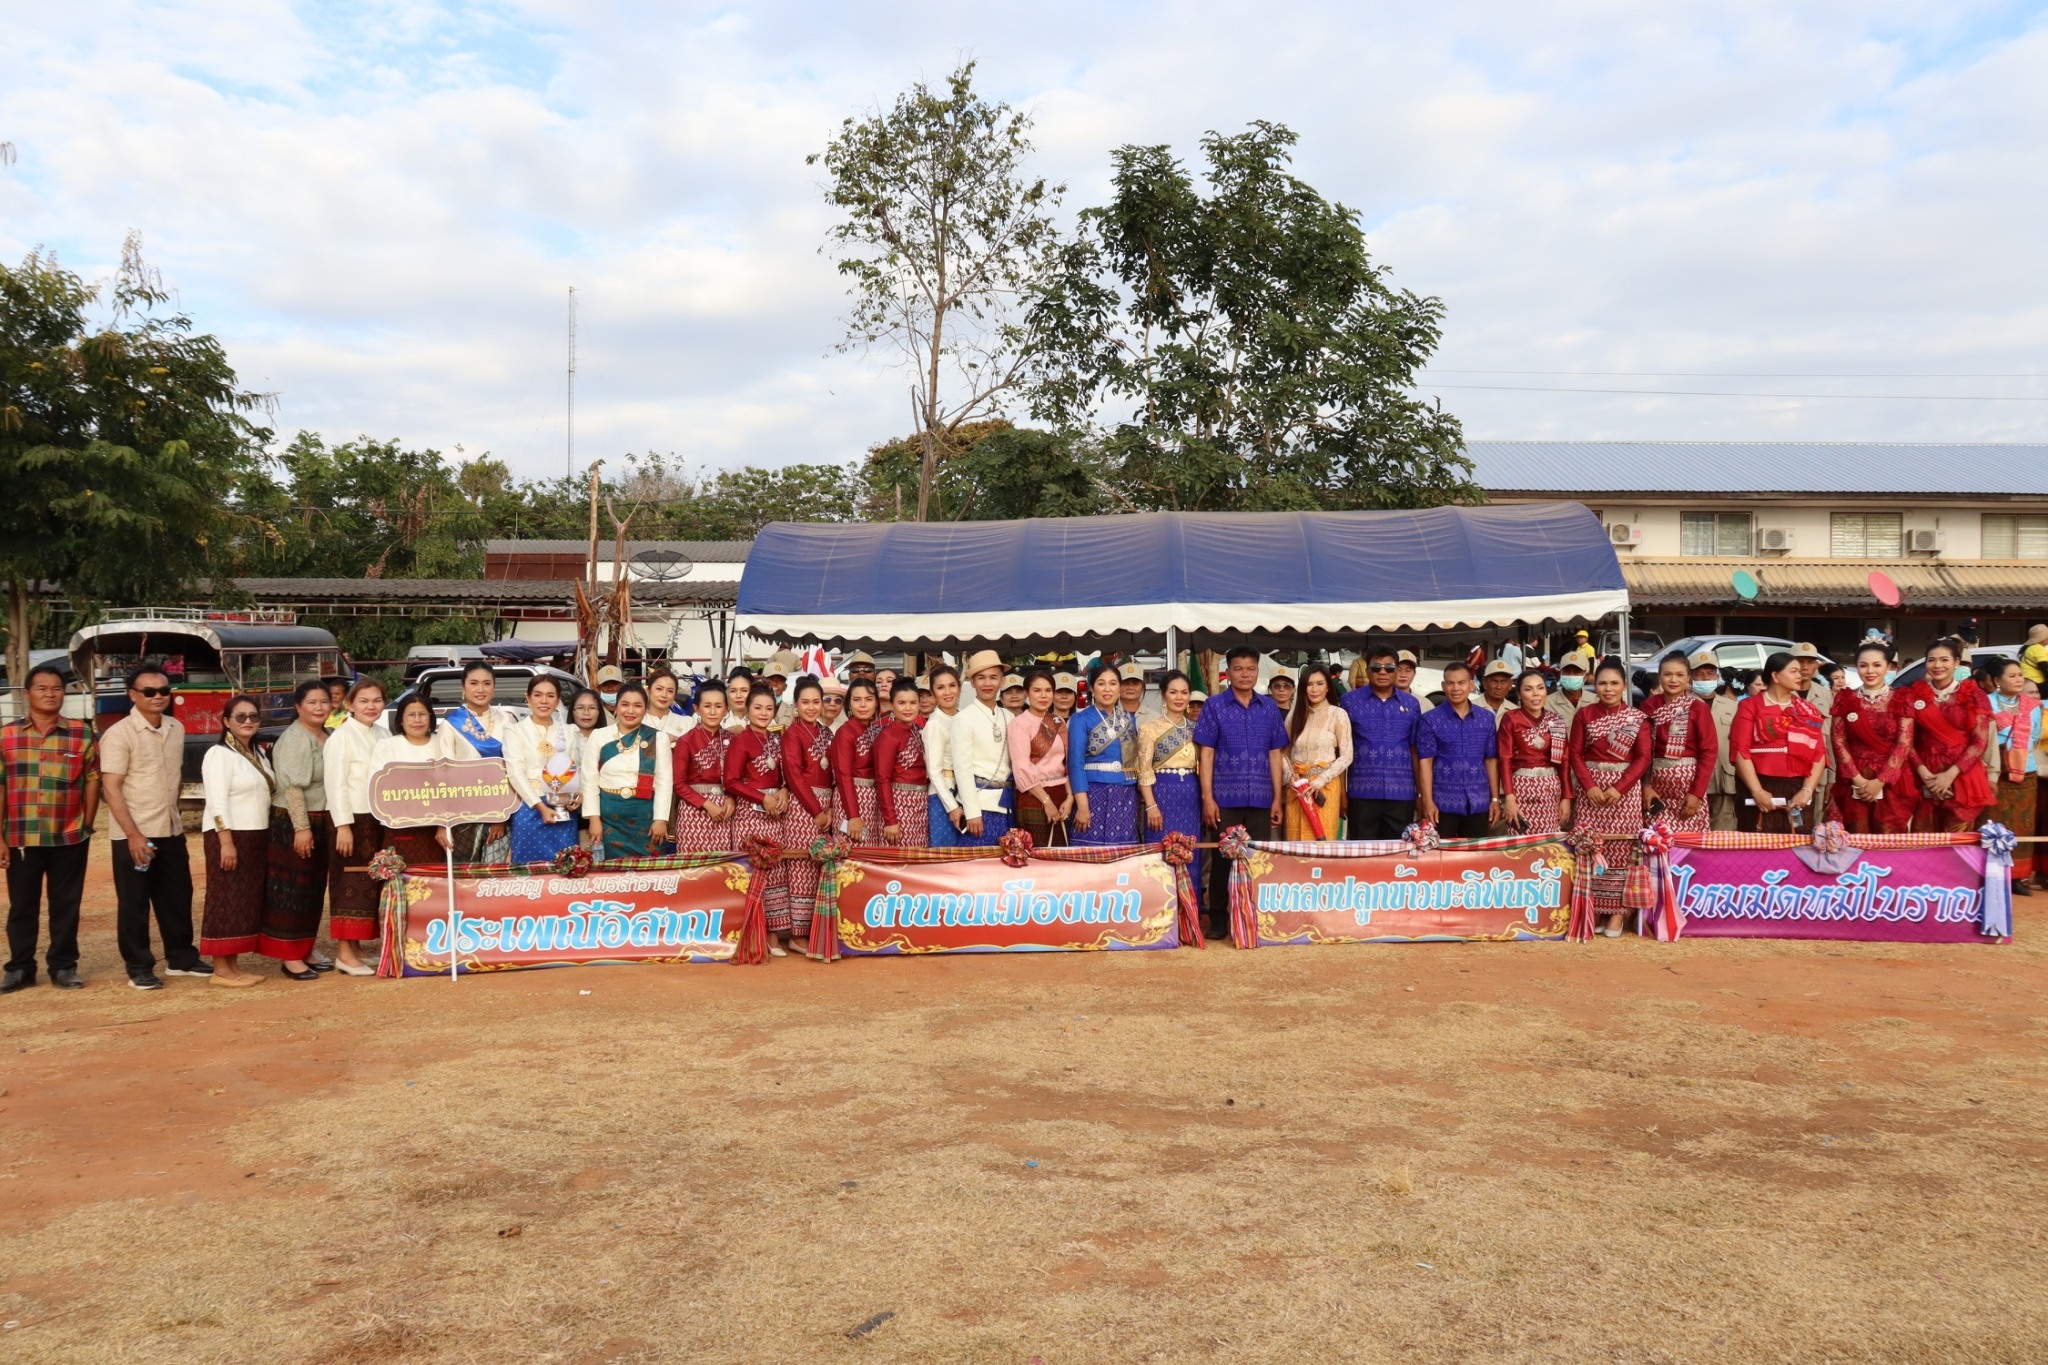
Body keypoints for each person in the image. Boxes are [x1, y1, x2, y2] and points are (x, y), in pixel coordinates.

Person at [100, 664, 206, 988]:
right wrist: (133, 834)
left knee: (177, 896)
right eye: (149, 691)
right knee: (134, 903)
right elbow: (111, 787)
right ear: (133, 695)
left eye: (163, 690)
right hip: (135, 833)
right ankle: (139, 967)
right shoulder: (119, 734)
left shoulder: (176, 728)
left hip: (170, 829)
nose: (158, 696)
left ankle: (182, 959)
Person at [2, 662, 99, 993]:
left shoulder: (81, 732)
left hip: (69, 835)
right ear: (27, 693)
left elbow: (92, 779)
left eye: (56, 688)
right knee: (22, 907)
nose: (50, 693)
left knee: (66, 905)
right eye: (42, 688)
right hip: (21, 836)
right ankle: (19, 968)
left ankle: (62, 966)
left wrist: (86, 823)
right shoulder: (6, 736)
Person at [1193, 646, 1289, 938]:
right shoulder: (1214, 705)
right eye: (1238, 668)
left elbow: (1275, 754)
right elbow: (1205, 754)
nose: (1245, 674)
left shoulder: (1269, 707)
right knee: (1223, 859)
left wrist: (1277, 798)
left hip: (1261, 797)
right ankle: (1220, 918)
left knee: (1256, 859)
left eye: (1250, 668)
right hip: (1224, 797)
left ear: (1258, 671)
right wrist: (1208, 798)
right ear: (1228, 672)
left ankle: (1251, 914)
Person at [1569, 658, 1652, 935]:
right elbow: (1575, 755)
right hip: (1590, 790)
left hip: (1623, 792)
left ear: (1624, 686)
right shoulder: (1584, 715)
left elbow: (1642, 758)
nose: (1608, 689)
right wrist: (1590, 786)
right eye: (1602, 683)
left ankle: (1617, 914)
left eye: (1614, 683)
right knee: (1592, 848)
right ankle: (1595, 910)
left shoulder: (1636, 718)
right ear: (1594, 685)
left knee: (1621, 851)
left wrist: (1620, 788)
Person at [262, 681, 335, 980]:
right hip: (294, 820)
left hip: (320, 818)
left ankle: (305, 947)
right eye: (312, 702)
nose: (319, 708)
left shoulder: (325, 735)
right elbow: (292, 788)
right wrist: (301, 828)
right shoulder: (295, 738)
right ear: (298, 706)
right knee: (291, 889)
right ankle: (289, 954)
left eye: (324, 702)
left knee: (312, 889)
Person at [196, 695, 271, 988]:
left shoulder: (257, 754)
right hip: (229, 835)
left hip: (255, 834)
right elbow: (217, 802)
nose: (248, 721)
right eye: (240, 717)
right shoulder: (219, 755)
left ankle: (233, 965)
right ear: (226, 722)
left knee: (243, 900)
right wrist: (226, 841)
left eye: (253, 716)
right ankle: (221, 969)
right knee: (225, 898)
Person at [320, 678, 390, 974]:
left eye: (376, 700)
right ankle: (344, 953)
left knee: (370, 881)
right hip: (350, 820)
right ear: (350, 704)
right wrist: (343, 826)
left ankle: (358, 947)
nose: (371, 706)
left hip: (377, 818)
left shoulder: (384, 734)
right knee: (348, 883)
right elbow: (334, 785)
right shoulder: (341, 737)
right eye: (364, 701)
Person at [724, 688, 796, 954]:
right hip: (749, 814)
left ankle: (775, 935)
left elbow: (788, 773)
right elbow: (729, 781)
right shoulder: (740, 741)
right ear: (748, 709)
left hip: (775, 813)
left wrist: (784, 790)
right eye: (758, 708)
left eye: (768, 709)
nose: (764, 713)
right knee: (753, 870)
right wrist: (759, 797)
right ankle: (754, 932)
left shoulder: (778, 739)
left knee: (776, 871)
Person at [369, 693, 476, 867]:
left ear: (431, 717)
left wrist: (443, 824)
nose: (417, 720)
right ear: (401, 719)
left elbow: (455, 786)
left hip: (437, 829)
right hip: (400, 826)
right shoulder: (387, 746)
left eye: (422, 714)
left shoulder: (443, 743)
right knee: (402, 883)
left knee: (434, 884)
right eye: (411, 715)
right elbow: (377, 787)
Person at [1731, 652, 1828, 835]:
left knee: (1797, 847)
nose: (1800, 675)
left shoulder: (1808, 709)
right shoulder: (1750, 706)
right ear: (1775, 676)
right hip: (1759, 785)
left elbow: (1819, 753)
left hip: (1798, 788)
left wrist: (1807, 790)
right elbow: (1740, 751)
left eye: (1800, 671)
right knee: (1756, 847)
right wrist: (1757, 791)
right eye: (1793, 671)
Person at [1904, 638, 1993, 833]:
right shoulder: (1912, 694)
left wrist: (1950, 775)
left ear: (1957, 662)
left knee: (1956, 839)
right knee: (1922, 837)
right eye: (1931, 660)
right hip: (1923, 773)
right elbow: (1906, 741)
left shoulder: (1973, 694)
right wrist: (1925, 774)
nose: (1937, 665)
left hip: (1962, 773)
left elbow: (1979, 742)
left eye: (1944, 660)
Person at [1830, 640, 1918, 835]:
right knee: (1854, 836)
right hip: (1853, 778)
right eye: (1863, 665)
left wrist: (1881, 780)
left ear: (1889, 667)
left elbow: (1904, 743)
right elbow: (1838, 740)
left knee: (1889, 837)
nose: (1870, 671)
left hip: (1892, 781)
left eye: (1877, 665)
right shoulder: (1845, 698)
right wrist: (1858, 780)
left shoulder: (1902, 698)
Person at [1339, 644, 1423, 840]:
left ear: (1396, 671)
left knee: (1398, 856)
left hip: (1401, 793)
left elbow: (1414, 751)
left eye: (1389, 668)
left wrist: (1420, 794)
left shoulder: (1411, 704)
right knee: (1362, 854)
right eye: (1376, 668)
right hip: (1361, 793)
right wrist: (1342, 793)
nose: (1383, 672)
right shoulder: (1349, 701)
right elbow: (1341, 751)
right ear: (1367, 670)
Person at [585, 682, 673, 860]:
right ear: (616, 707)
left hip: (646, 818)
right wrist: (594, 819)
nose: (630, 711)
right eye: (625, 704)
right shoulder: (598, 736)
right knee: (611, 875)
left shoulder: (658, 738)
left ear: (645, 709)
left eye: (637, 705)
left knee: (648, 874)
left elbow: (665, 782)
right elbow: (589, 780)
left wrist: (661, 819)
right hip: (609, 818)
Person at [502, 675, 583, 865]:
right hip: (529, 807)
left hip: (563, 808)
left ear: (558, 700)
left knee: (566, 866)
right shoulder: (516, 731)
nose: (544, 701)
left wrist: (578, 795)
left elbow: (577, 768)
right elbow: (515, 772)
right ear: (528, 698)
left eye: (550, 695)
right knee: (528, 870)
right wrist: (540, 807)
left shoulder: (570, 731)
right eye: (538, 695)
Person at [1414, 661, 1500, 838]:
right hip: (1442, 804)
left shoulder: (1486, 718)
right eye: (1451, 683)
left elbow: (1491, 760)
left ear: (1471, 685)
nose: (1456, 688)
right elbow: (1426, 763)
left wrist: (1495, 799)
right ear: (1443, 686)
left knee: (1475, 858)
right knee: (1441, 858)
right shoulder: (1429, 720)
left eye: (1461, 683)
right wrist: (1427, 801)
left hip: (1479, 801)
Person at [1639, 651, 1718, 835]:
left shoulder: (1698, 708)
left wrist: (1696, 794)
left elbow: (1709, 752)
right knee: (1656, 841)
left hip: (1689, 785)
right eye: (1667, 674)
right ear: (1659, 677)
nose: (1673, 680)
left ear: (1688, 678)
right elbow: (1642, 752)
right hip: (1656, 786)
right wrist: (1646, 787)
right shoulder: (1648, 707)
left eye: (1680, 675)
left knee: (1689, 843)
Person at [1138, 671, 1202, 893]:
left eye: (1184, 692)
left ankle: (1190, 910)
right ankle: (1162, 910)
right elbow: (1144, 770)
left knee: (1190, 851)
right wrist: (1151, 805)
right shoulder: (1150, 728)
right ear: (1164, 695)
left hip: (1190, 795)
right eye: (1173, 692)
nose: (1179, 697)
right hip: (1161, 793)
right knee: (1161, 852)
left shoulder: (1197, 729)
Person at [443, 662, 512, 863]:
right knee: (463, 870)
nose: (480, 689)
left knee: (493, 874)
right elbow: (445, 773)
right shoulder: (451, 724)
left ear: (494, 687)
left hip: (500, 813)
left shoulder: (507, 720)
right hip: (463, 814)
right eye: (474, 683)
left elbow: (514, 770)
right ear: (463, 688)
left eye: (486, 683)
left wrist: (502, 817)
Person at [951, 651, 1015, 846]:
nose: (987, 683)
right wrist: (972, 812)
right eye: (981, 678)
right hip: (980, 806)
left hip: (1007, 805)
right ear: (972, 682)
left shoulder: (1009, 716)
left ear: (1002, 682)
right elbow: (962, 769)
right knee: (977, 869)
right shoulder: (963, 718)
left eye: (993, 677)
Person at [1069, 667, 1139, 846]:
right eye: (1101, 684)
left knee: (1122, 854)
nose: (1107, 689)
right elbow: (1075, 764)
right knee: (1090, 854)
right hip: (1093, 793)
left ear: (1119, 688)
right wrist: (1083, 806)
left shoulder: (1129, 719)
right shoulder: (1081, 719)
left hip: (1125, 795)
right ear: (1092, 688)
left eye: (1113, 683)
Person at [1984, 658, 2037, 893]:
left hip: (2027, 771)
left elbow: (2035, 736)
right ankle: (1993, 876)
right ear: (1997, 681)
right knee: (1994, 823)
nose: (2019, 680)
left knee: (2023, 825)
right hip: (1995, 772)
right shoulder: (1986, 704)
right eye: (2012, 676)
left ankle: (2018, 877)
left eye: (2020, 675)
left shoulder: (2033, 706)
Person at [1498, 671, 1572, 837]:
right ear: (1519, 693)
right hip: (1520, 789)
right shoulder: (1511, 718)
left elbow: (1564, 762)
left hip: (1550, 790)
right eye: (1528, 689)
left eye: (1540, 688)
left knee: (1549, 843)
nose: (1536, 694)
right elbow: (1504, 759)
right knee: (1519, 840)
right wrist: (1509, 797)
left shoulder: (1556, 721)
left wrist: (1566, 798)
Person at [1282, 662, 1350, 841]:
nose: (1314, 689)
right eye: (1309, 684)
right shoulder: (1294, 715)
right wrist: (1290, 777)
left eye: (1320, 684)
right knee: (1296, 841)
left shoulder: (1338, 714)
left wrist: (1320, 781)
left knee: (1322, 840)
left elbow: (1347, 755)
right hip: (1298, 788)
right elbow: (1282, 752)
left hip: (1324, 787)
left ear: (1328, 686)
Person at [1008, 669, 1071, 848]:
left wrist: (1070, 797)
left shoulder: (1058, 722)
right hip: (1034, 796)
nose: (1043, 696)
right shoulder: (1020, 724)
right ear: (1027, 693)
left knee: (1061, 852)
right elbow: (1021, 767)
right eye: (1037, 690)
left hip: (1061, 794)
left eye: (1048, 690)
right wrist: (1046, 801)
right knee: (1036, 852)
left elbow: (1067, 764)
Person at [672, 682, 737, 855]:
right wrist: (706, 804)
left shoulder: (734, 740)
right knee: (693, 870)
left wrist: (731, 798)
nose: (713, 712)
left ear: (726, 709)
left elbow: (739, 778)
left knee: (722, 869)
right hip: (694, 811)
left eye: (718, 706)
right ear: (696, 708)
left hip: (725, 810)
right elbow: (678, 784)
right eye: (707, 706)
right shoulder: (686, 741)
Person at [873, 679, 931, 847]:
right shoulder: (887, 736)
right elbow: (882, 779)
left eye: (913, 702)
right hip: (899, 806)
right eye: (902, 703)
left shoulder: (919, 730)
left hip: (921, 805)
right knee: (898, 867)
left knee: (917, 864)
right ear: (892, 705)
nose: (908, 708)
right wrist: (890, 820)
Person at [1690, 650, 1743, 831]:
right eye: (1699, 674)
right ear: (1690, 677)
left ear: (1717, 676)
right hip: (1693, 779)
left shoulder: (1731, 706)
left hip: (1724, 778)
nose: (1705, 678)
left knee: (1724, 832)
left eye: (1710, 673)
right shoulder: (1683, 704)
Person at [830, 679, 883, 841]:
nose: (863, 705)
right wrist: (853, 815)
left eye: (868, 699)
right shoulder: (845, 732)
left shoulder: (877, 730)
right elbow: (843, 776)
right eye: (857, 700)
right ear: (849, 704)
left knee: (870, 857)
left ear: (876, 703)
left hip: (874, 801)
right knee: (851, 857)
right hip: (852, 800)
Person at [924, 665, 964, 847]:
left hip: (963, 790)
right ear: (933, 694)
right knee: (945, 853)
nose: (947, 692)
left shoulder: (963, 717)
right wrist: (952, 806)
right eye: (940, 688)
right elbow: (933, 771)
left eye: (952, 686)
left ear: (960, 687)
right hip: (943, 795)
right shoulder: (935, 724)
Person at [645, 670, 694, 741]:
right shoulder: (637, 722)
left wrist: (677, 739)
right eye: (659, 689)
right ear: (648, 691)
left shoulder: (687, 723)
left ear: (675, 695)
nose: (664, 695)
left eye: (670, 691)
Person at [1548, 655, 1589, 721]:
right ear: (1560, 674)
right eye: (1567, 671)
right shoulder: (1547, 703)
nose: (1571, 675)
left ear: (1586, 676)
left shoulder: (1596, 701)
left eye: (1576, 672)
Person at [2021, 623, 2048, 690]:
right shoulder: (2038, 648)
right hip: (2037, 683)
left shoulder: (2032, 648)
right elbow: (2045, 669)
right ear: (2043, 638)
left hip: (2030, 683)